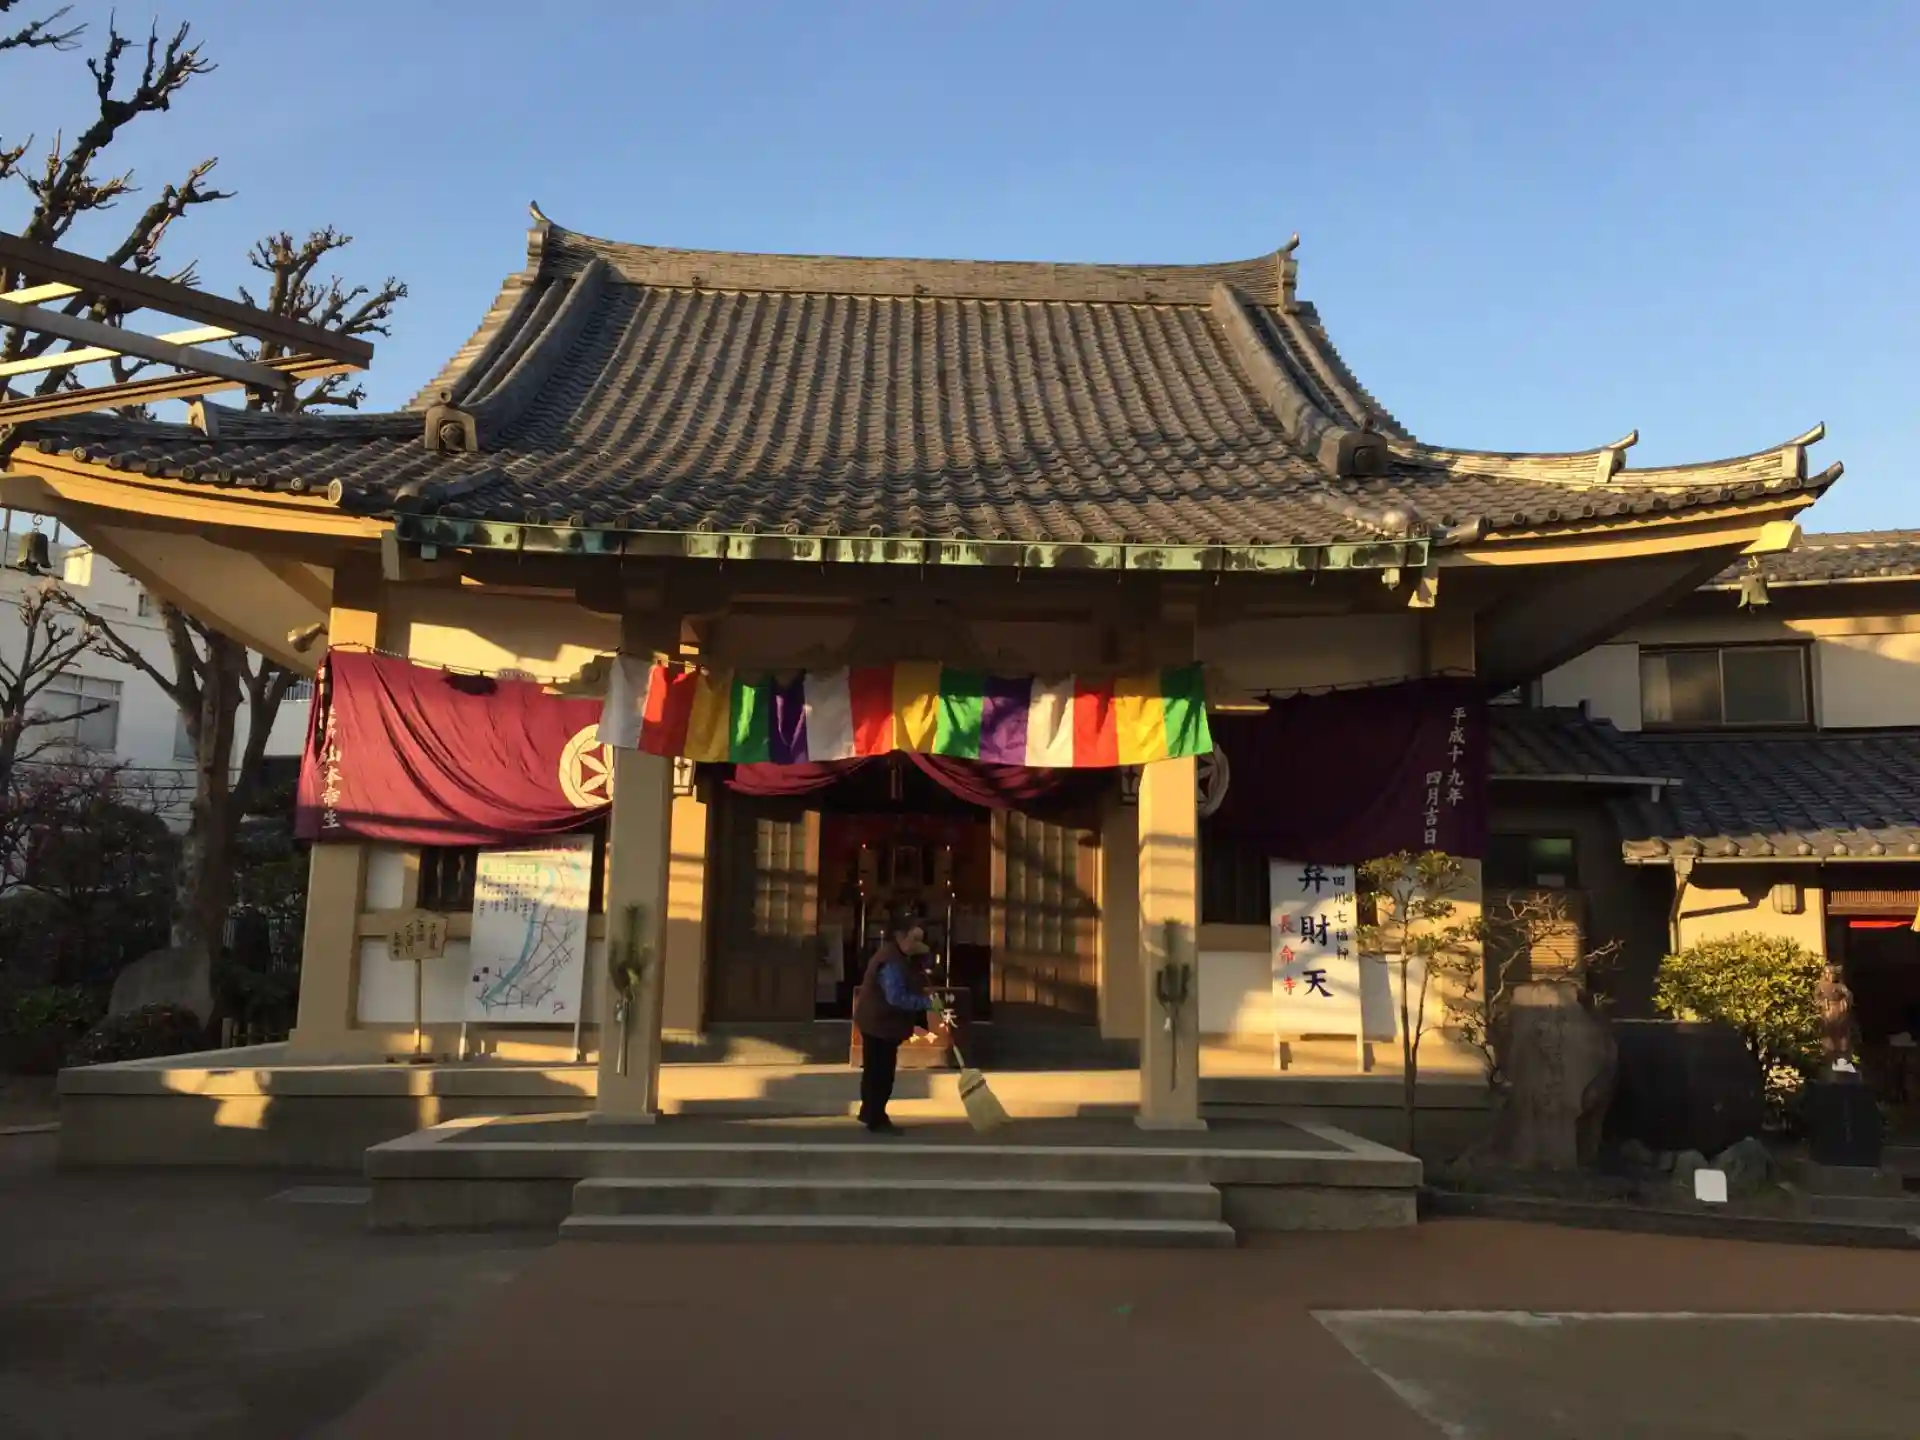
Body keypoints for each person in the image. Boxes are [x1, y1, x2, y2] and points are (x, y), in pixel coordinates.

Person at [852, 919, 935, 1134]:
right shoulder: (890, 962)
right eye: (914, 939)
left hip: (883, 1023)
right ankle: (876, 1117)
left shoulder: (903, 957)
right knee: (880, 1073)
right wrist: (927, 1003)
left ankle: (871, 1113)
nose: (917, 944)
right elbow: (896, 997)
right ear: (900, 936)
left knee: (877, 1071)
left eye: (921, 940)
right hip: (879, 1023)